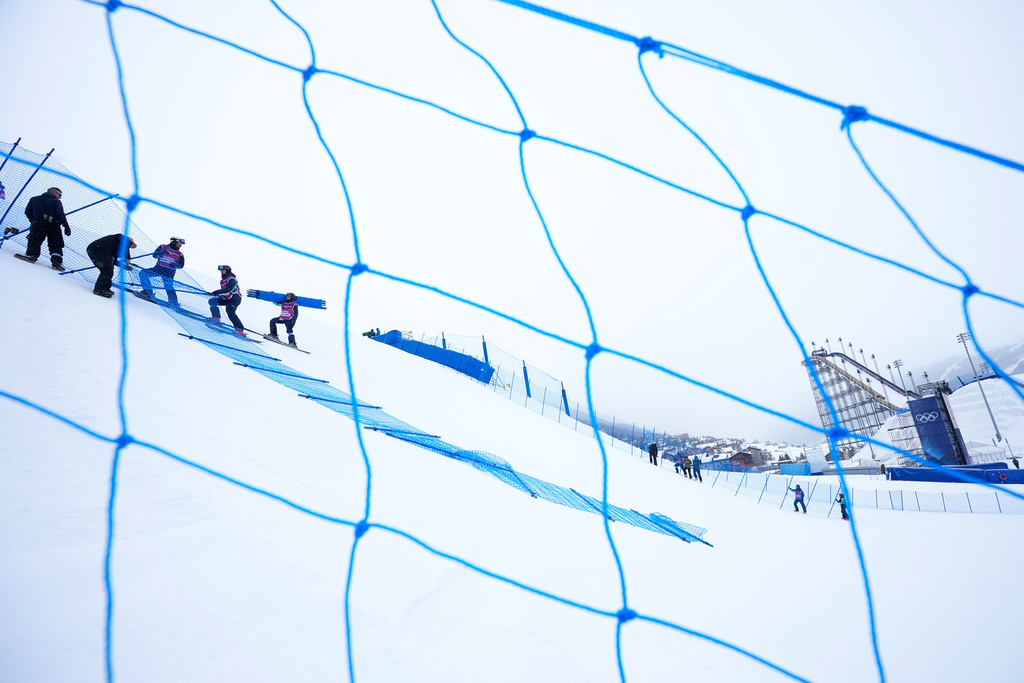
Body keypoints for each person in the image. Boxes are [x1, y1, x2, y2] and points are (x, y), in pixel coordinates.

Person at [16, 187, 71, 270]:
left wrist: (33, 220)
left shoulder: (34, 199)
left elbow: (28, 212)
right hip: (54, 225)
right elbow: (61, 214)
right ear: (52, 192)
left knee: (35, 238)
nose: (60, 197)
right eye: (59, 195)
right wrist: (66, 226)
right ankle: (56, 262)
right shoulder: (56, 202)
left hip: (39, 223)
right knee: (56, 242)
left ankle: (32, 255)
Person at [86, 233, 137, 297]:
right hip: (99, 249)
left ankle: (105, 289)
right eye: (130, 245)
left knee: (107, 269)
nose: (129, 247)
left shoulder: (114, 246)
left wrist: (124, 266)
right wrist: (127, 258)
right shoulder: (123, 239)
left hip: (93, 250)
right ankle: (99, 289)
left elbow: (113, 261)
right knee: (107, 270)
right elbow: (126, 245)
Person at [139, 237, 185, 305]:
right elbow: (154, 256)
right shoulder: (163, 247)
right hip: (158, 269)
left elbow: (181, 265)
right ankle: (147, 292)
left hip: (169, 273)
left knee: (168, 286)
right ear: (174, 242)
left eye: (181, 244)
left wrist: (176, 264)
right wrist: (159, 253)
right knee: (143, 273)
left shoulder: (179, 254)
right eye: (180, 243)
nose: (181, 245)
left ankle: (173, 302)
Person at [208, 265, 245, 334]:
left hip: (235, 299)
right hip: (227, 299)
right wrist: (221, 295)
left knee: (230, 311)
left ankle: (240, 329)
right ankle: (216, 318)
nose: (221, 272)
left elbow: (228, 289)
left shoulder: (232, 279)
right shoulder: (222, 281)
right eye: (221, 271)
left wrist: (216, 293)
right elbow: (225, 291)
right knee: (212, 301)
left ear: (227, 271)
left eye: (223, 270)